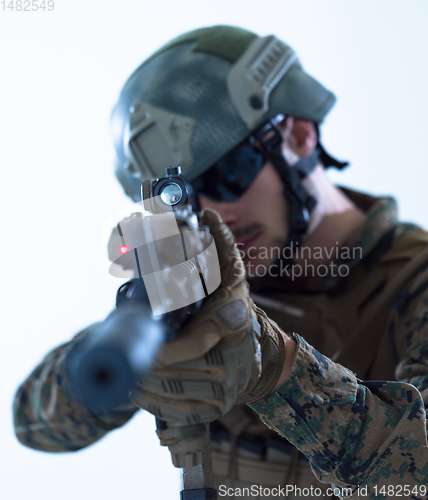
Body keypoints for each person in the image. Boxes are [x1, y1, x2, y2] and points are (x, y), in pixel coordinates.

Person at [13, 25, 428, 499]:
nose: (216, 214)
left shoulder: (415, 278)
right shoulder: (205, 286)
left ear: (297, 133)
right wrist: (137, 345)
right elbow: (34, 425)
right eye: (189, 200)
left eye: (228, 173)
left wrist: (276, 366)